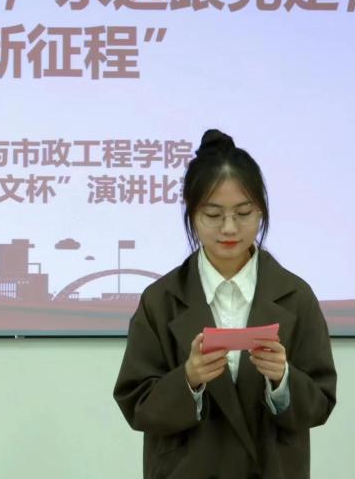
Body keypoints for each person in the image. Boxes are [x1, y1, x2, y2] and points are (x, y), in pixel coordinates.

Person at [113, 129, 336, 479]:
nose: (229, 228)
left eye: (243, 213)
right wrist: (188, 378)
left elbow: (320, 403)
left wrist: (282, 378)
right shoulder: (161, 300)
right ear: (192, 214)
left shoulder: (296, 296)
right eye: (213, 214)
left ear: (261, 211)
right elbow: (137, 405)